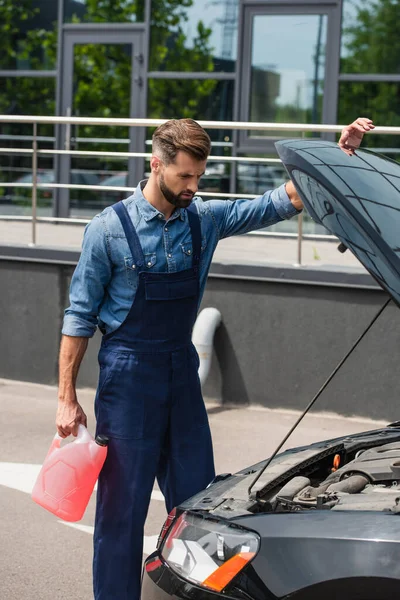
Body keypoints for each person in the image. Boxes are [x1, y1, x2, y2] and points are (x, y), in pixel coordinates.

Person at [56, 116, 373, 600]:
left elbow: (280, 201)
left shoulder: (204, 218)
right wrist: (66, 398)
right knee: (121, 514)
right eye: (185, 176)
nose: (193, 187)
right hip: (127, 380)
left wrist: (336, 157)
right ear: (155, 164)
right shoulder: (107, 231)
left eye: (199, 177)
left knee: (201, 509)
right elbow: (78, 317)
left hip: (180, 377)